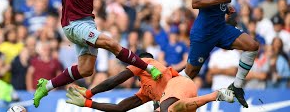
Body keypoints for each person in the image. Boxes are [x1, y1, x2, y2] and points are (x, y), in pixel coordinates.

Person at [34, 0, 162, 107]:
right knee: (111, 43)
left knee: (86, 70)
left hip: (88, 22)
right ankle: (148, 68)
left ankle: (46, 85)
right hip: (74, 23)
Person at [180, 0, 259, 108]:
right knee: (190, 73)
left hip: (221, 28)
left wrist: (225, 8)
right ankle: (164, 95)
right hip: (204, 32)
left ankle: (236, 87)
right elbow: (195, 3)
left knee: (252, 46)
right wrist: (221, 1)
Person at [65, 52, 235, 112]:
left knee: (166, 108)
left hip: (180, 85)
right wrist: (88, 103)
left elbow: (114, 81)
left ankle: (215, 95)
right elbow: (120, 108)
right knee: (166, 109)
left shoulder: (147, 63)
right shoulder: (145, 91)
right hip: (183, 98)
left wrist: (89, 92)